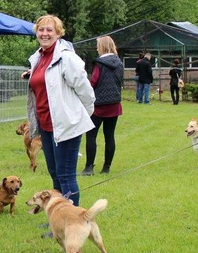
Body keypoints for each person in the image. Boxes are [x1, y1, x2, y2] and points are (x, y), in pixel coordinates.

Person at [25, 14, 95, 206]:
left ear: (58, 33)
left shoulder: (66, 57)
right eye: (41, 29)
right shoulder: (38, 58)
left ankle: (71, 221)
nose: (45, 33)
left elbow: (85, 89)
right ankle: (57, 219)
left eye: (50, 30)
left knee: (66, 175)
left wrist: (81, 115)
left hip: (65, 125)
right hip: (46, 125)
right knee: (55, 174)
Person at [79, 36, 124, 176]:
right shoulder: (119, 63)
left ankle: (89, 168)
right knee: (109, 136)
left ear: (102, 47)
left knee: (91, 135)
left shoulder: (99, 64)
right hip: (114, 104)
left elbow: (93, 82)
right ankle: (106, 167)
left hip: (98, 105)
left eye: (98, 45)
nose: (97, 48)